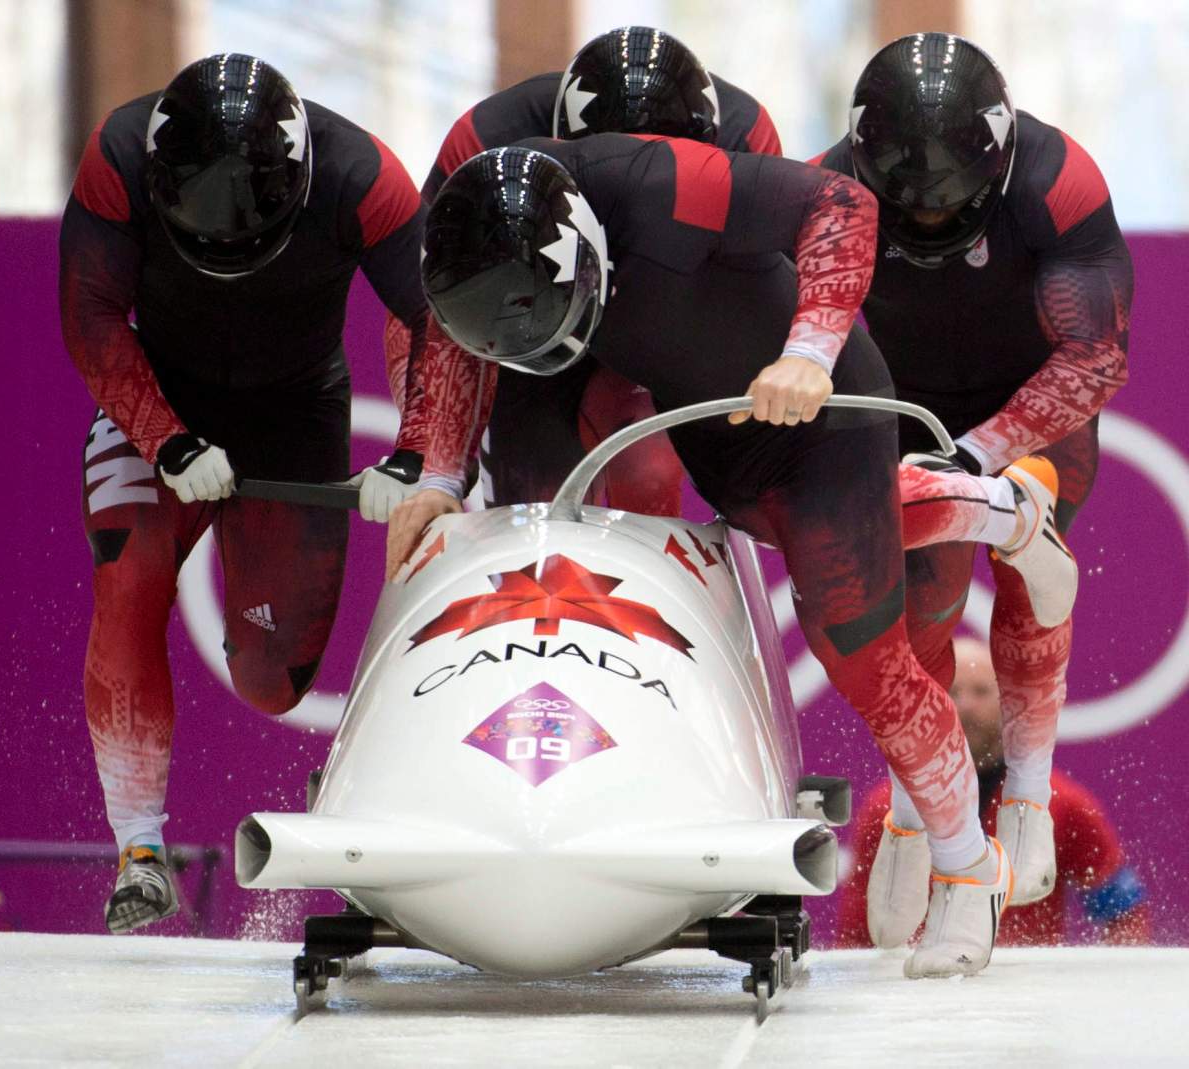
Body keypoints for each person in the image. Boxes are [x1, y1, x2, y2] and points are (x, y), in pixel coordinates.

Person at [386, 134, 1085, 977]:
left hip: (814, 417)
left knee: (859, 650)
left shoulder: (662, 184)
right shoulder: (473, 242)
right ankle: (1006, 510)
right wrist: (435, 469)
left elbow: (843, 203)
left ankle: (970, 869)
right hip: (710, 421)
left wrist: (810, 349)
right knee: (696, 518)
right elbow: (453, 342)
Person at [61, 53, 440, 933]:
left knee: (272, 677)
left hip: (295, 415)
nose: (228, 241)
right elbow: (90, 314)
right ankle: (139, 848)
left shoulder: (365, 178)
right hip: (161, 398)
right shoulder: (117, 154)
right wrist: (165, 436)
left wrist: (420, 455)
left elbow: (438, 319)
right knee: (128, 574)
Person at [810, 33, 1133, 946]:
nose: (930, 224)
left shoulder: (1059, 183)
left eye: (952, 207)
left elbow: (1096, 354)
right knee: (920, 611)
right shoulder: (825, 193)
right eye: (908, 208)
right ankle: (923, 801)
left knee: (1034, 564)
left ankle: (1026, 793)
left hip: (1030, 406)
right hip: (901, 408)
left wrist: (986, 450)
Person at [388, 26, 782, 517]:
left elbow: (759, 293)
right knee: (533, 509)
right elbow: (435, 306)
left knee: (647, 473)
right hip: (539, 316)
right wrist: (437, 465)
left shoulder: (748, 138)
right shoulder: (486, 140)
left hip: (669, 315)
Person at [836, 638, 1150, 947]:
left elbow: (1124, 911)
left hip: (1028, 992)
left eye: (981, 692)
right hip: (923, 992)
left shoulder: (1062, 804)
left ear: (1008, 703)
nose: (966, 706)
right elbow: (857, 934)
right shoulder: (886, 810)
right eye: (953, 692)